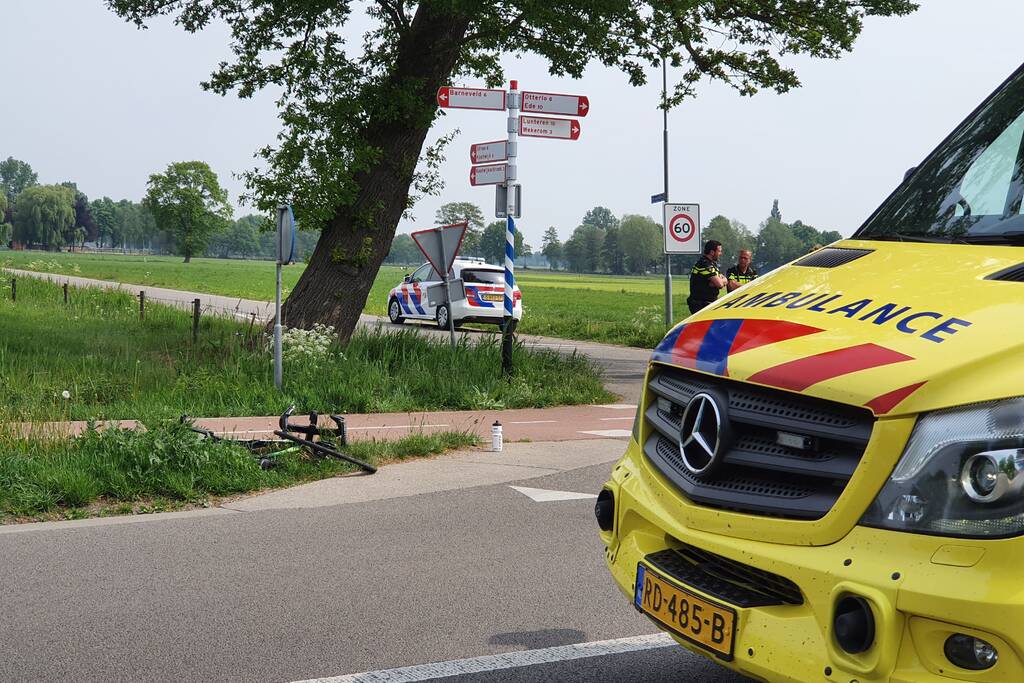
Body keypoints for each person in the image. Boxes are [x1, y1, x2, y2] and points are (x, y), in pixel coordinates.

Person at [687, 240, 726, 314]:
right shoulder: (705, 264)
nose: (721, 254)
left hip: (707, 303)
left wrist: (719, 281)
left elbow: (721, 279)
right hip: (700, 304)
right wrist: (721, 281)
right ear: (712, 252)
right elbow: (720, 284)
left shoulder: (711, 263)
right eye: (719, 251)